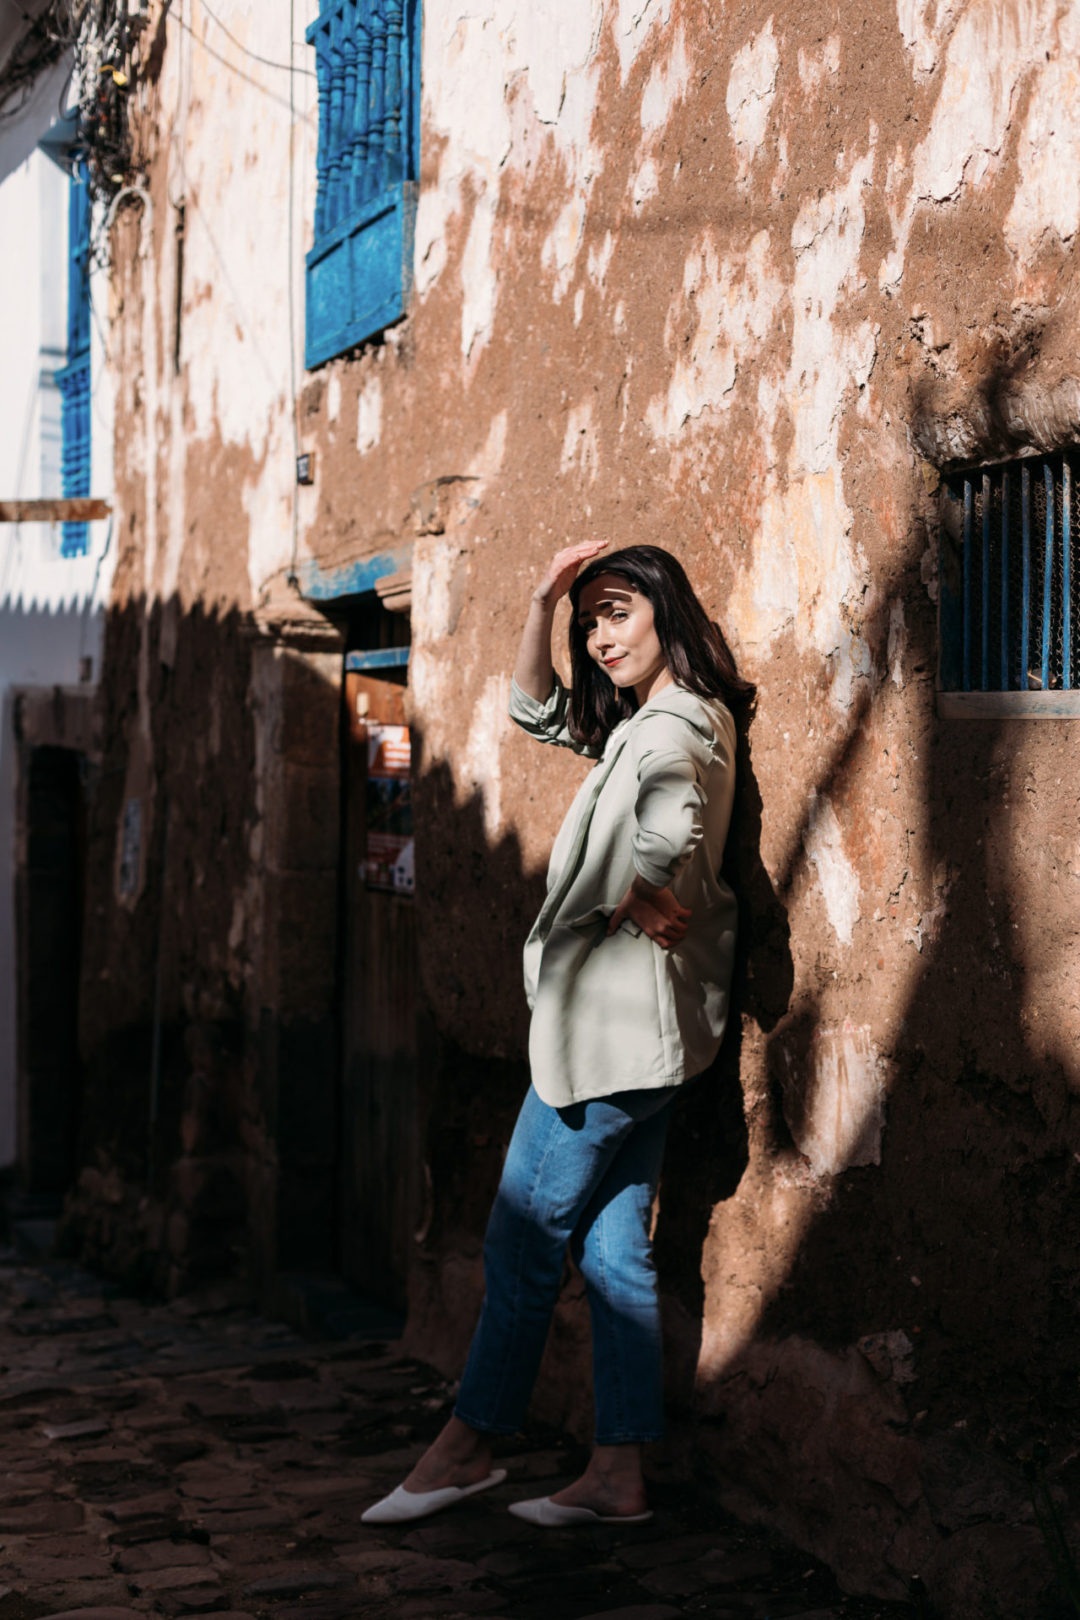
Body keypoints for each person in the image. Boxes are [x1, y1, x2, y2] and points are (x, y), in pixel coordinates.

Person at [362, 540, 754, 1528]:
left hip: (609, 1044)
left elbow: (671, 828)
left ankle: (467, 1445)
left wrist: (643, 887)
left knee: (523, 1240)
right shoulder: (652, 721)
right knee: (617, 1252)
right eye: (591, 621)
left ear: (667, 610)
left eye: (617, 612)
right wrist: (541, 598)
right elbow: (536, 710)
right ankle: (619, 1475)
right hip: (641, 1039)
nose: (600, 636)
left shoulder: (673, 734)